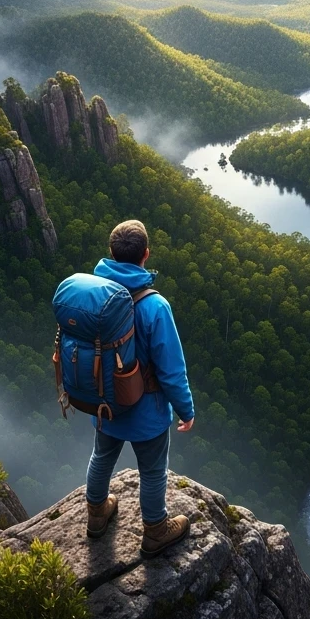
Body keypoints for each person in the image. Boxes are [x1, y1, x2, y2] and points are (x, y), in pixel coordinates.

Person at [84, 219, 196, 555]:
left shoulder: (93, 293)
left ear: (111, 253)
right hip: (145, 409)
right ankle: (156, 531)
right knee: (152, 471)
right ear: (146, 254)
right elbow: (171, 369)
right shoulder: (155, 306)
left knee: (102, 456)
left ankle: (96, 515)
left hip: (104, 401)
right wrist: (186, 409)